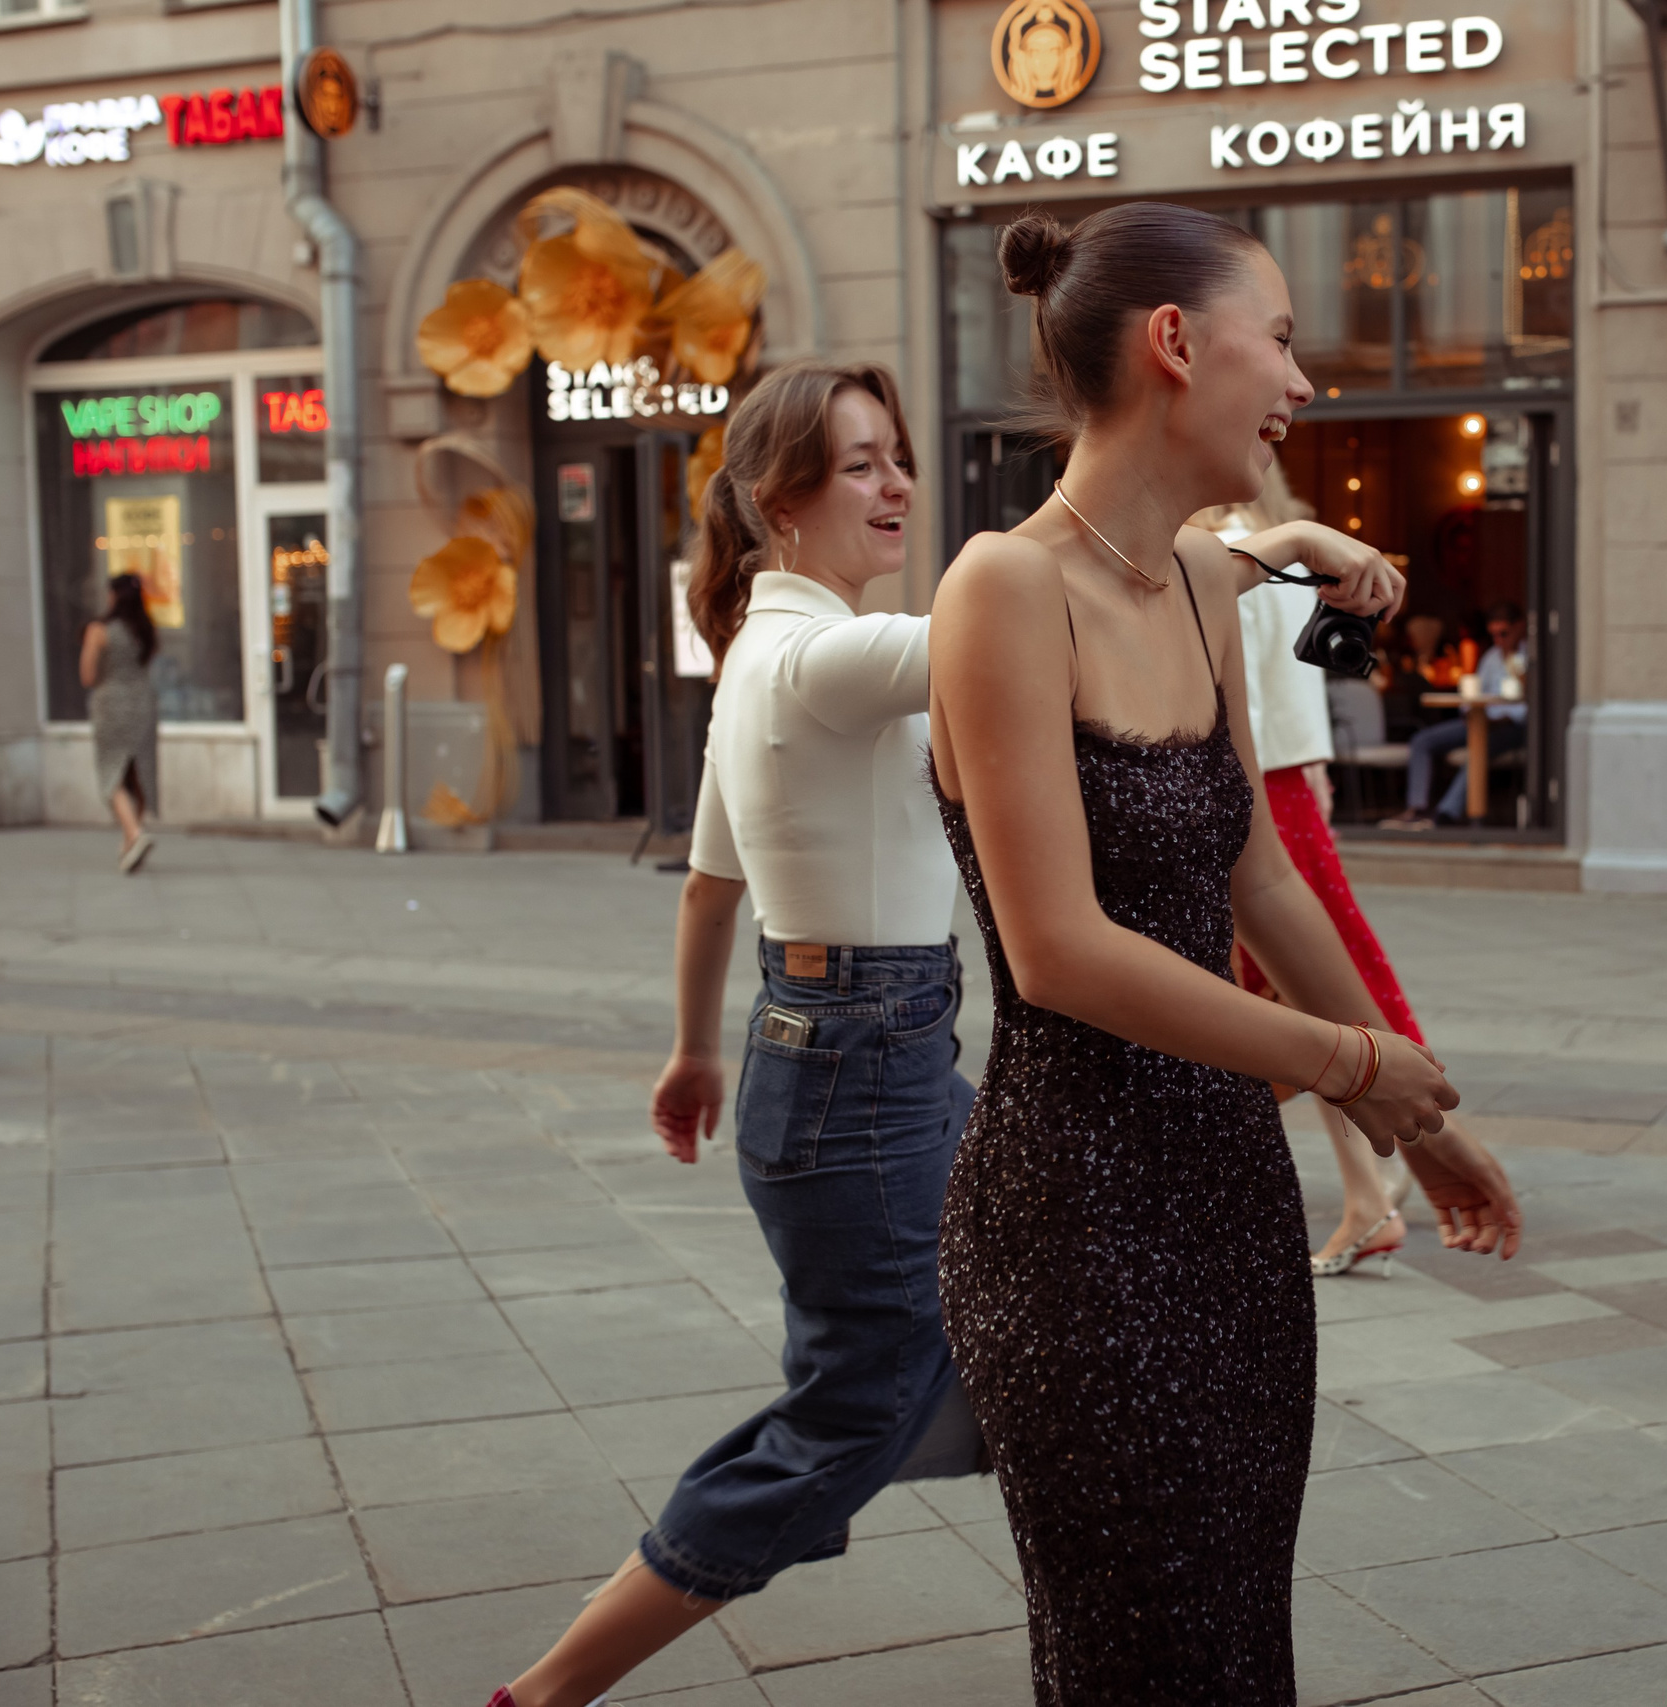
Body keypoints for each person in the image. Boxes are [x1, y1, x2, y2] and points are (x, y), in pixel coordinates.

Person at [924, 201, 1525, 1702]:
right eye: (1284, 339)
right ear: (1175, 344)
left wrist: (1421, 1118)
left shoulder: (1203, 583)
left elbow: (1261, 875)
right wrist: (1351, 1064)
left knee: (1240, 1634)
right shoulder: (1002, 585)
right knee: (1139, 1650)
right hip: (1073, 1217)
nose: (1304, 382)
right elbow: (1058, 952)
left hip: (1230, 1202)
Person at [488, 362, 986, 1707]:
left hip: (848, 1053)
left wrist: (695, 1049)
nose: (897, 483)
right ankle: (549, 1688)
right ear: (780, 500)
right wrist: (1268, 545)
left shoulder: (761, 657)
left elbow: (712, 884)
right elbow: (1021, 616)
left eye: (897, 455)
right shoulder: (822, 656)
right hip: (862, 1077)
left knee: (1037, 1297)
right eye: (861, 463)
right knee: (847, 1414)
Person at [1199, 472, 1423, 1277]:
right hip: (1287, 777)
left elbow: (1244, 697)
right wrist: (1315, 767)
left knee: (1292, 987)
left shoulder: (1227, 555)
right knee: (1301, 985)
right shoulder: (1282, 555)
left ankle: (1370, 1184)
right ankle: (1369, 1184)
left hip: (1252, 781)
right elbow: (1298, 677)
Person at [1384, 602, 1528, 829]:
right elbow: (1476, 692)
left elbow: (1532, 705)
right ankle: (1417, 809)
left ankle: (1445, 815)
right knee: (1422, 740)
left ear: (1519, 627)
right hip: (1480, 721)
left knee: (1478, 749)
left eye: (1503, 634)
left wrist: (1503, 719)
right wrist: (1470, 713)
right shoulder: (1492, 657)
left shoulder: (1531, 657)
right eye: (1493, 635)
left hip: (1514, 727)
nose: (1499, 640)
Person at [80, 573, 159, 873]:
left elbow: (87, 676)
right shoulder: (145, 630)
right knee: (138, 772)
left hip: (111, 705)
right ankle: (130, 842)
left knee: (110, 772)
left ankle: (134, 834)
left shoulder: (99, 630)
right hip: (143, 704)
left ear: (113, 596)